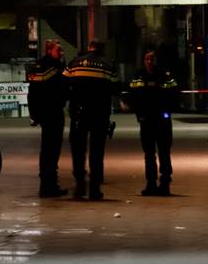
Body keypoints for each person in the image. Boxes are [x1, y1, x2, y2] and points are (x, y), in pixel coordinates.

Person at [63, 40, 120, 200]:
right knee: (97, 151)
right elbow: (116, 88)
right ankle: (95, 189)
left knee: (78, 150)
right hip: (99, 113)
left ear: (88, 48)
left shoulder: (74, 62)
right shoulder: (108, 64)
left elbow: (64, 84)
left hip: (78, 114)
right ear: (101, 50)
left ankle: (80, 186)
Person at [124, 50, 179, 196]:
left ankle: (165, 184)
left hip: (162, 121)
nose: (149, 61)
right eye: (147, 59)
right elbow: (131, 95)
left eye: (152, 59)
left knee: (164, 153)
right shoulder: (138, 76)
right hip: (146, 121)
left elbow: (175, 94)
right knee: (149, 154)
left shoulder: (165, 76)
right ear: (143, 61)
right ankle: (151, 184)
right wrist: (138, 113)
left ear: (156, 60)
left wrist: (167, 110)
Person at [27, 39, 68, 197]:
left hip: (46, 114)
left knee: (47, 150)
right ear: (50, 51)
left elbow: (32, 93)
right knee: (52, 150)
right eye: (59, 50)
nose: (61, 53)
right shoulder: (54, 67)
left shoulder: (40, 66)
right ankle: (49, 186)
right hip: (53, 113)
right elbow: (61, 88)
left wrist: (34, 114)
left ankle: (48, 184)